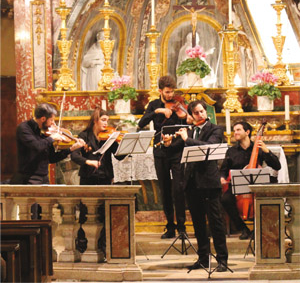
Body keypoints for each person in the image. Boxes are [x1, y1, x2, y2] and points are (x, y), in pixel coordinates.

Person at [173, 100, 228, 272]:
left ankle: (222, 260)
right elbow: (175, 150)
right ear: (191, 115)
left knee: (215, 222)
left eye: (202, 111)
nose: (201, 115)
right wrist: (168, 143)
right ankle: (203, 258)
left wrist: (187, 139)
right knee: (198, 223)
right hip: (191, 183)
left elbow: (209, 146)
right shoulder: (188, 130)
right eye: (196, 113)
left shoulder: (215, 129)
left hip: (209, 182)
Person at [138, 75, 191, 239]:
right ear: (160, 91)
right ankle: (170, 226)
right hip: (160, 152)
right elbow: (141, 123)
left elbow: (189, 122)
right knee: (165, 190)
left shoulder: (179, 104)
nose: (170, 96)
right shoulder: (154, 105)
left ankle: (182, 228)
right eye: (167, 92)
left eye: (172, 92)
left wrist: (186, 116)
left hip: (177, 150)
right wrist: (159, 111)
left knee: (178, 189)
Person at [71, 107, 126, 255]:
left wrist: (125, 146)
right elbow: (74, 156)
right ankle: (83, 243)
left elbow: (119, 156)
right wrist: (88, 162)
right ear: (95, 120)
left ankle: (103, 245)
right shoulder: (84, 135)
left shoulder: (109, 137)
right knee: (85, 212)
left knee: (104, 213)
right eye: (103, 120)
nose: (106, 123)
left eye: (107, 120)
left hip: (105, 177)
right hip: (88, 178)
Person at [220, 121, 281, 240]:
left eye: (238, 130)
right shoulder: (231, 151)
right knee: (225, 199)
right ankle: (243, 228)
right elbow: (224, 169)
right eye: (234, 130)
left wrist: (266, 151)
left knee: (266, 200)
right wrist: (222, 178)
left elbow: (277, 166)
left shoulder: (258, 148)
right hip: (238, 186)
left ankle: (259, 229)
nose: (235, 133)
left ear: (247, 132)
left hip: (256, 185)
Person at [11, 103, 85, 185]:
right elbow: (37, 146)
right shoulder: (24, 128)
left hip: (44, 178)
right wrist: (51, 138)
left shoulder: (45, 132)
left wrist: (71, 149)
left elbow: (52, 158)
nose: (53, 124)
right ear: (43, 119)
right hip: (29, 178)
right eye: (51, 120)